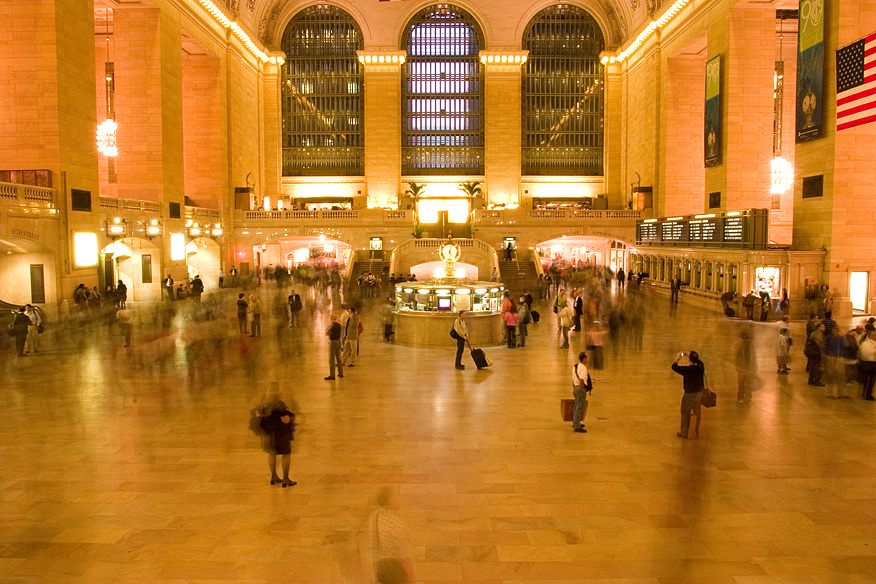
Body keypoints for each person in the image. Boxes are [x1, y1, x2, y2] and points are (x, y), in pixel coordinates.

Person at [368, 487, 414, 584]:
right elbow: (404, 556)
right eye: (396, 496)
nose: (399, 499)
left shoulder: (374, 517)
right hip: (396, 573)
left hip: (381, 570)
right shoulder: (397, 525)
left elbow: (373, 546)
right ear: (390, 500)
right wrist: (412, 578)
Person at [254, 382, 296, 487]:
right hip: (281, 434)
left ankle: (274, 476)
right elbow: (285, 420)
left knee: (272, 454)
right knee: (286, 454)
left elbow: (257, 414)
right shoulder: (280, 404)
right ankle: (286, 478)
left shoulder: (263, 404)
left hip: (268, 434)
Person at [672, 350, 705, 438]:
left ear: (689, 359)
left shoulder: (687, 370)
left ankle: (684, 432)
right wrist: (691, 355)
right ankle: (695, 431)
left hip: (689, 394)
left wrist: (678, 358)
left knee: (685, 412)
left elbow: (674, 367)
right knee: (697, 413)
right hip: (699, 393)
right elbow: (700, 361)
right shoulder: (701, 368)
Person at [571, 352, 593, 433]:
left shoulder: (575, 367)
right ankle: (577, 426)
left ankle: (575, 422)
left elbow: (573, 379)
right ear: (584, 359)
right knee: (579, 407)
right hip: (580, 389)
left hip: (576, 388)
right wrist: (582, 385)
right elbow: (582, 379)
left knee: (576, 406)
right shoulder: (583, 368)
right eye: (587, 357)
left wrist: (574, 389)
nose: (588, 358)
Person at [735, 329, 756, 404]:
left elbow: (753, 357)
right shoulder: (740, 345)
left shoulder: (750, 345)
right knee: (742, 384)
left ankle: (747, 398)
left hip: (748, 368)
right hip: (742, 368)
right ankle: (741, 397)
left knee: (747, 384)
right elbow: (737, 357)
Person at [805, 321, 826, 386]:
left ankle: (811, 379)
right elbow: (818, 342)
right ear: (819, 327)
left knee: (812, 366)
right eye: (822, 327)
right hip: (815, 352)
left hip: (810, 351)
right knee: (817, 366)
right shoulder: (819, 333)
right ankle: (817, 380)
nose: (824, 328)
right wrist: (822, 351)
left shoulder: (813, 332)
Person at [857, 327, 876, 400]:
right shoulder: (866, 344)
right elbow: (865, 354)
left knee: (872, 380)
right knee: (867, 380)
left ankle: (869, 393)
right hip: (868, 364)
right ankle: (866, 394)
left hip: (874, 364)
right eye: (874, 335)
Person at [325, 314, 344, 380]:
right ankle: (340, 373)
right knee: (339, 358)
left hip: (332, 342)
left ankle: (332, 375)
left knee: (332, 359)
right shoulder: (339, 325)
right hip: (339, 342)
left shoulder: (332, 325)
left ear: (331, 319)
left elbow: (326, 332)